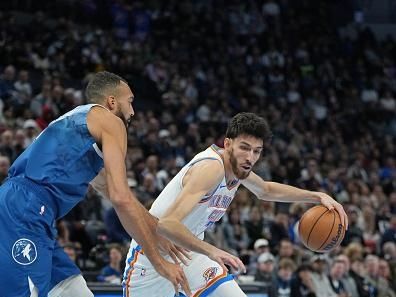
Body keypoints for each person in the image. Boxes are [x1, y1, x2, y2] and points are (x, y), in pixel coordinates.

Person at [0, 71, 190, 297]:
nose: (133, 111)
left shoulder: (80, 125)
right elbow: (121, 198)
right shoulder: (112, 122)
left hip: (29, 209)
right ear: (112, 101)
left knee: (73, 291)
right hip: (25, 210)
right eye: (129, 102)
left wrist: (154, 228)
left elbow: (108, 190)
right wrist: (159, 264)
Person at [123, 112, 348, 297]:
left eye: (256, 151)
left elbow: (266, 190)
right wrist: (213, 251)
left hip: (189, 253)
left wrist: (317, 196)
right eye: (244, 148)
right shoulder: (211, 168)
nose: (250, 157)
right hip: (151, 258)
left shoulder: (238, 170)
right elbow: (167, 224)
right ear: (228, 144)